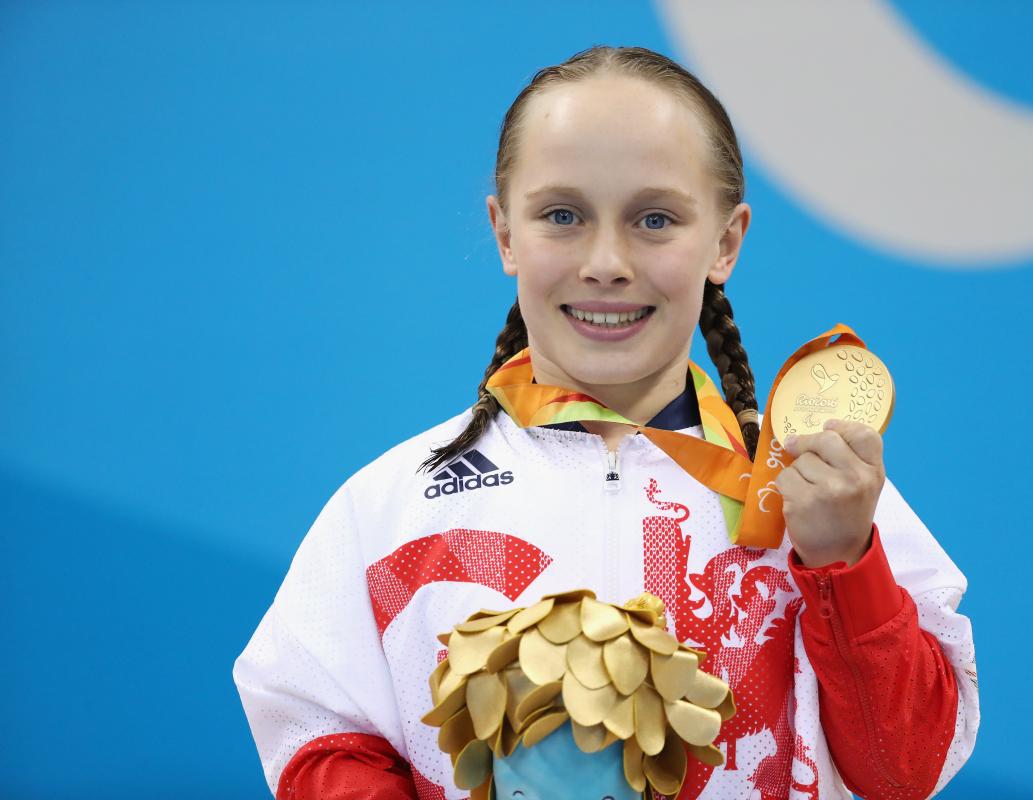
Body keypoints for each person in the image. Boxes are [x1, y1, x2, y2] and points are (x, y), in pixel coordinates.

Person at [233, 45, 978, 800]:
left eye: (655, 219)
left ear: (726, 241)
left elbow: (903, 771)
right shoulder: (392, 508)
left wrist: (843, 565)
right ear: (505, 233)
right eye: (563, 215)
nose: (607, 262)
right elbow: (318, 734)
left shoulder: (820, 495)